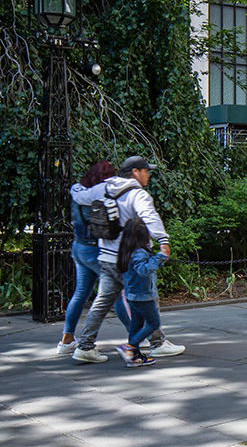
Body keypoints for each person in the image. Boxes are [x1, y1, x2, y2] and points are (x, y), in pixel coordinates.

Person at [72, 156, 185, 363]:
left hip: (107, 257)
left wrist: (73, 188)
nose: (148, 175)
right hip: (132, 259)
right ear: (135, 172)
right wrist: (163, 242)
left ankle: (84, 346)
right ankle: (158, 344)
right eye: (146, 171)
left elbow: (81, 197)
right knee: (149, 297)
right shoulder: (137, 195)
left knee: (102, 301)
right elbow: (150, 217)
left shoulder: (101, 188)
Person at [56, 160, 131, 354]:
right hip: (96, 251)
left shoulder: (78, 192)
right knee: (116, 294)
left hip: (78, 248)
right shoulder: (100, 195)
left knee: (80, 293)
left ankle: (67, 339)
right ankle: (135, 335)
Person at [115, 216, 169, 367]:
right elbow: (143, 270)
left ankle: (134, 357)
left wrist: (157, 260)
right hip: (142, 296)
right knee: (154, 323)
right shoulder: (139, 253)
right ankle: (130, 348)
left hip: (133, 294)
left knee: (136, 326)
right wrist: (159, 257)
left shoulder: (128, 250)